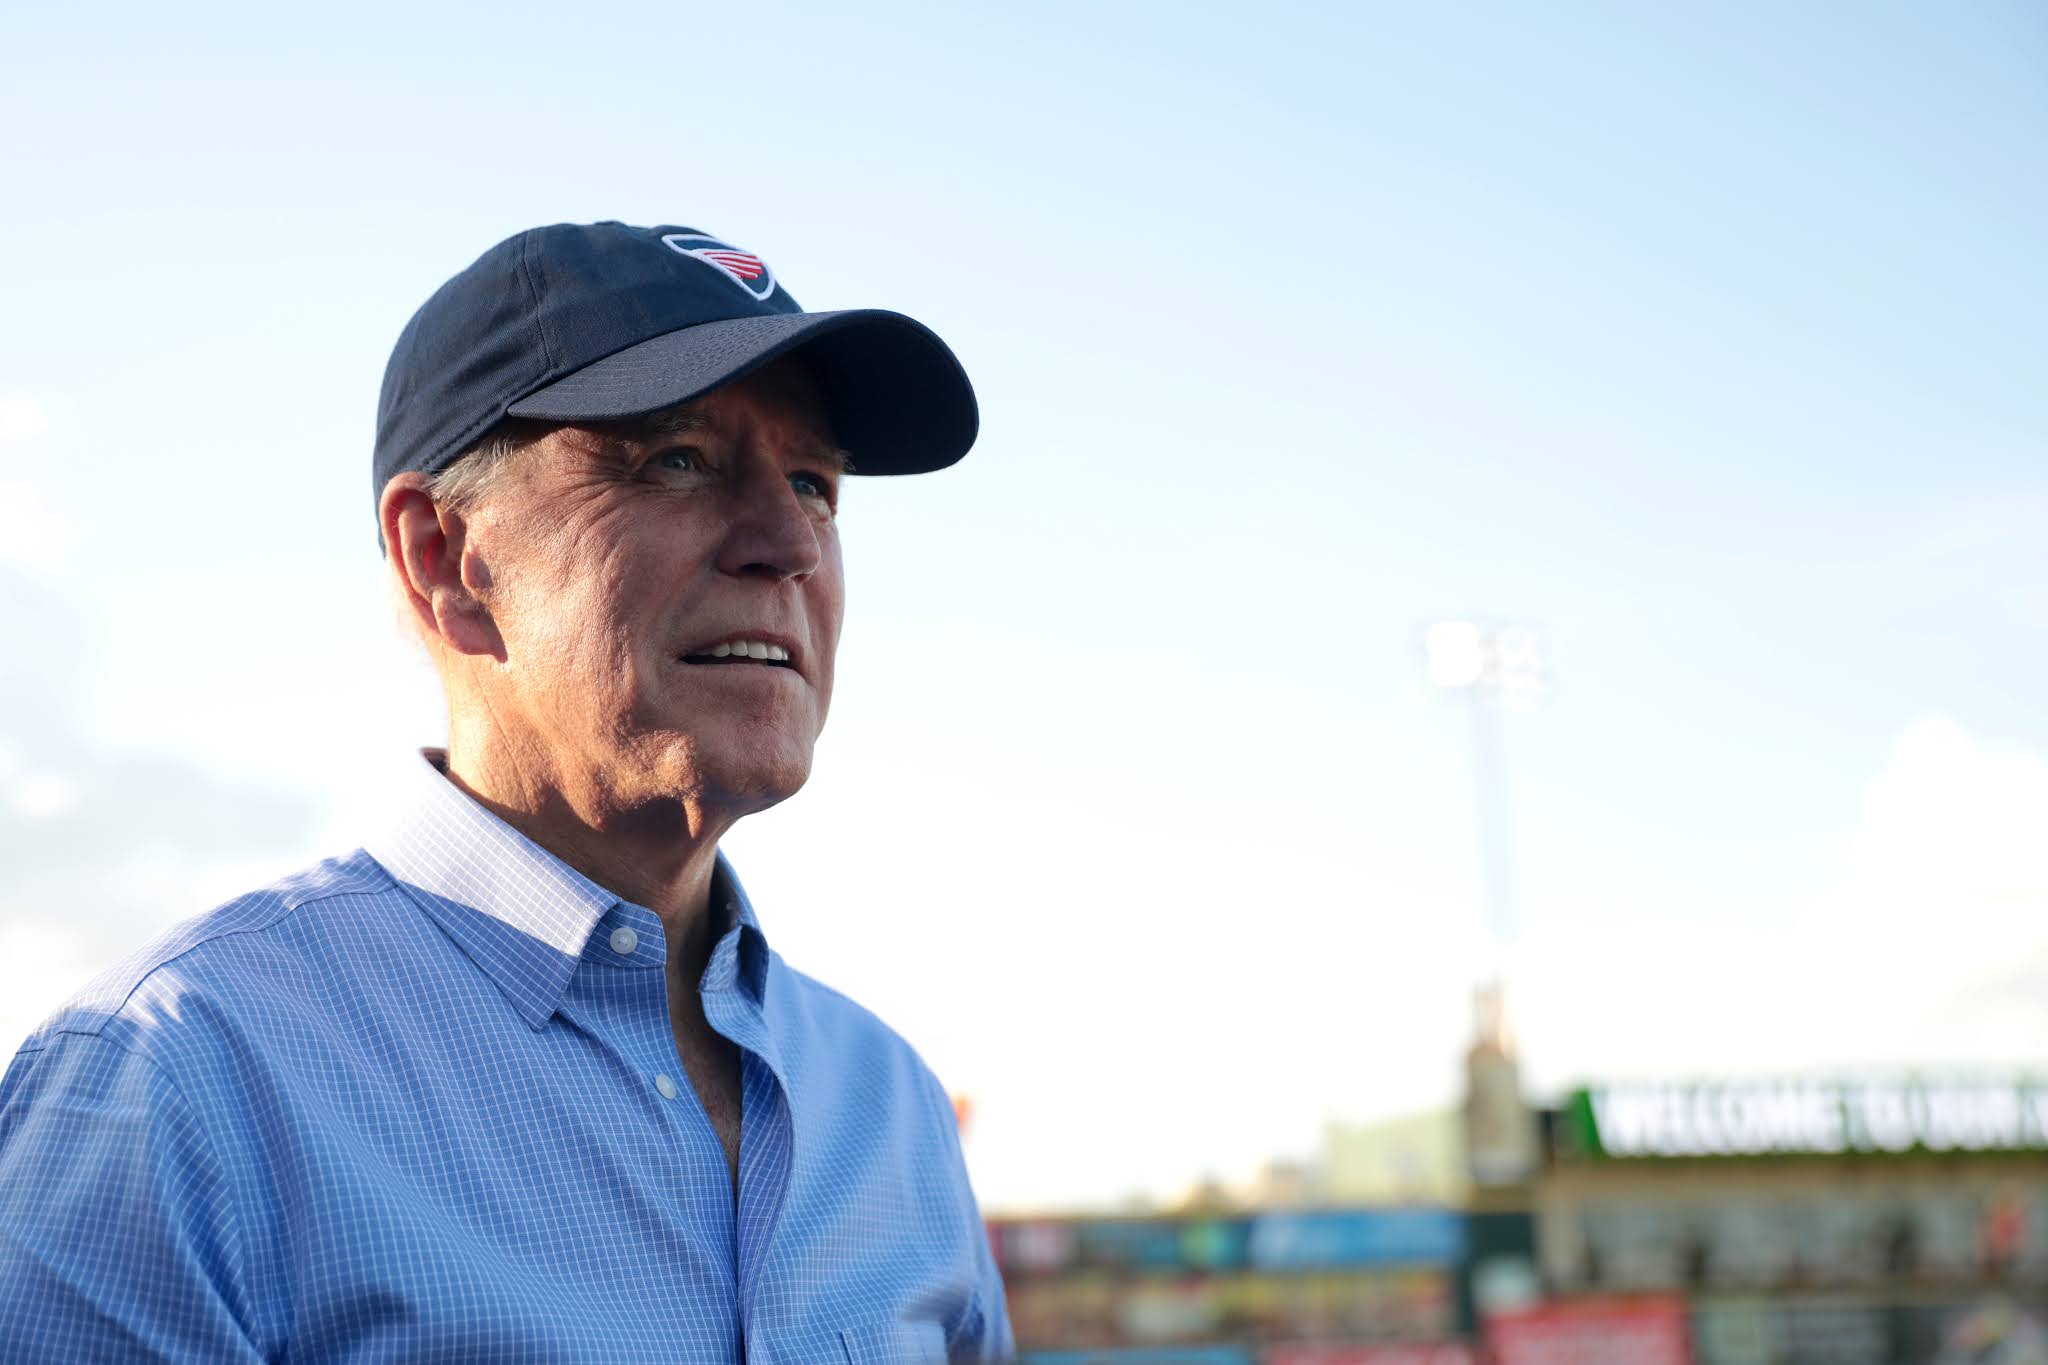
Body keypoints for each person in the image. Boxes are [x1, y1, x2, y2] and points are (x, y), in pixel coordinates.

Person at [0, 221, 1013, 1362]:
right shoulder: (172, 1087)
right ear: (443, 556)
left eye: (814, 483)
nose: (789, 542)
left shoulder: (890, 1106)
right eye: (675, 459)